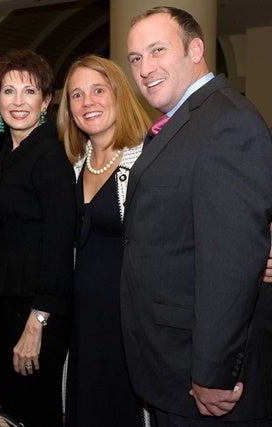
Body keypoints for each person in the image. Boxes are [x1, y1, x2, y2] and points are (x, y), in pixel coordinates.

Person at [121, 6, 272, 425]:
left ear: (195, 49)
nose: (145, 68)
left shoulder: (227, 122)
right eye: (135, 59)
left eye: (157, 51)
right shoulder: (183, 122)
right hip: (172, 364)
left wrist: (213, 373)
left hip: (203, 379)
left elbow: (231, 264)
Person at [0, 49, 76, 427]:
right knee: (10, 409)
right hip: (7, 302)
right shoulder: (9, 152)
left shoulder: (50, 156)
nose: (18, 102)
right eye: (8, 91)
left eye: (29, 91)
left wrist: (36, 324)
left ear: (46, 101)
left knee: (34, 411)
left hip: (35, 311)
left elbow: (58, 244)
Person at [56, 54, 151, 426]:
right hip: (83, 321)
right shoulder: (74, 164)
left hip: (130, 322)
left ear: (119, 94)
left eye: (98, 90)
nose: (87, 102)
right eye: (76, 95)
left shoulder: (147, 159)